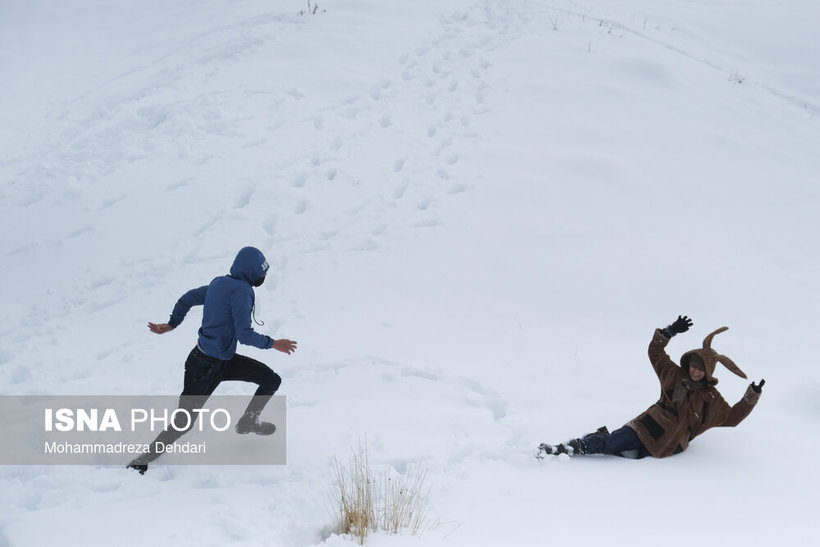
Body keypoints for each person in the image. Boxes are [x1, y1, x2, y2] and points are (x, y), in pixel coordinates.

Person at [127, 246, 297, 474]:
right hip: (204, 367)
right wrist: (274, 343)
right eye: (262, 272)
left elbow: (187, 298)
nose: (264, 276)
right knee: (183, 422)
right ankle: (142, 460)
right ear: (252, 273)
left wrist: (172, 324)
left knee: (270, 380)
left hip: (222, 360)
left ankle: (248, 420)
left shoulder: (219, 283)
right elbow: (245, 335)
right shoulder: (243, 291)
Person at [538, 315, 764, 459]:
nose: (695, 371)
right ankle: (564, 449)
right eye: (693, 366)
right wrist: (669, 332)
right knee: (612, 444)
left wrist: (751, 396)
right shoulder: (675, 374)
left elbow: (731, 418)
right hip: (647, 427)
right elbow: (655, 352)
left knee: (620, 450)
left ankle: (598, 439)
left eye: (700, 369)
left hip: (669, 446)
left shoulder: (711, 397)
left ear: (708, 372)